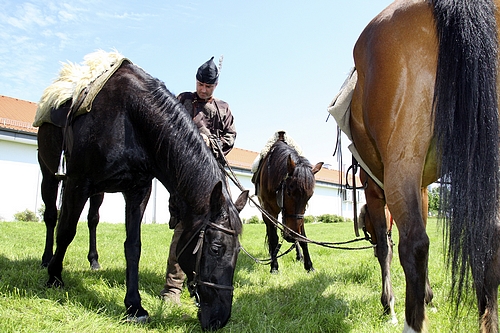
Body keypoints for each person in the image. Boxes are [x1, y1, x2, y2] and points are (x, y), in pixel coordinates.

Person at [160, 56, 237, 304]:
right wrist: (193, 138)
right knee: (184, 228)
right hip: (186, 181)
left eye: (208, 86)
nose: (203, 90)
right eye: (200, 84)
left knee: (215, 234)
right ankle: (172, 288)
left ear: (215, 86)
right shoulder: (182, 100)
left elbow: (230, 138)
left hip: (213, 181)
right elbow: (168, 129)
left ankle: (203, 284)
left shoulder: (223, 109)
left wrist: (209, 142)